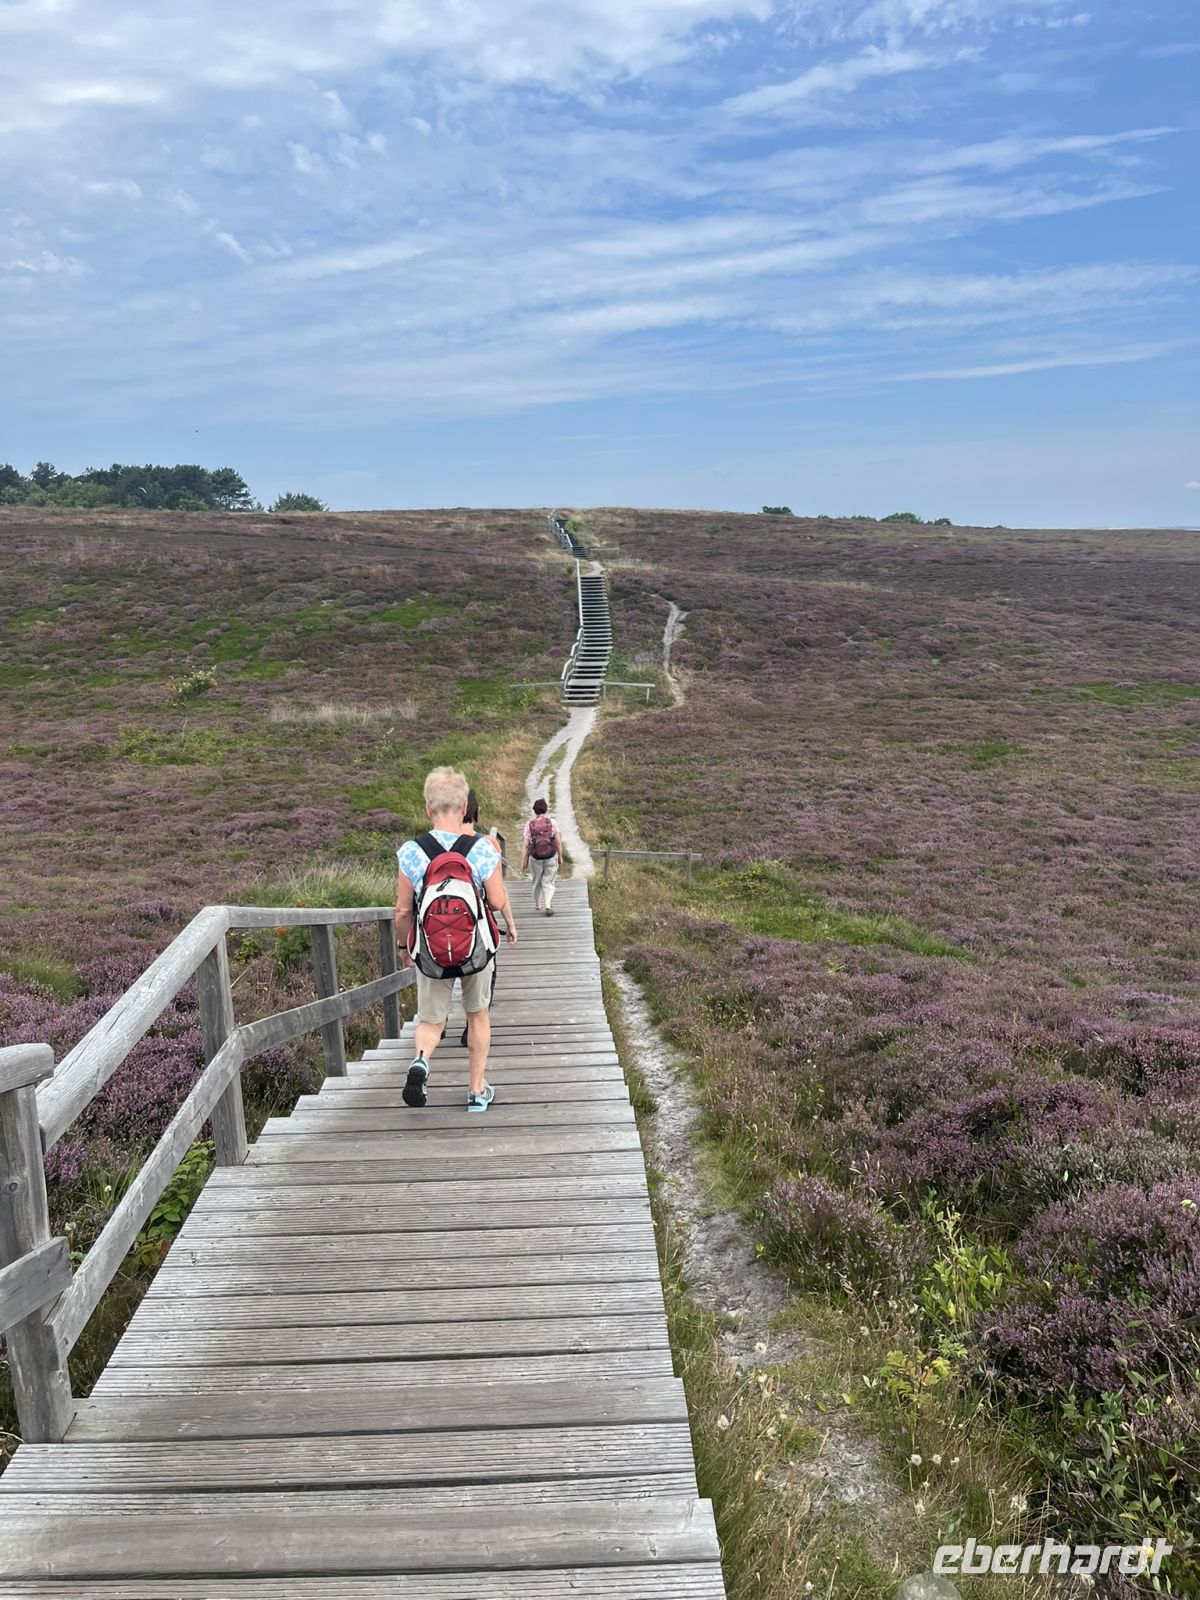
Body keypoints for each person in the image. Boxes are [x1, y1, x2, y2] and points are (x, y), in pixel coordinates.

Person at [395, 767, 517, 1112]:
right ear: (465, 808)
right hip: (475, 949)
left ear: (427, 809)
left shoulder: (412, 851)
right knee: (477, 1015)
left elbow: (403, 910)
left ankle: (421, 1061)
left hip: (431, 951)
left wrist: (405, 947)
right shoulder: (482, 847)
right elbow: (495, 901)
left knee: (431, 1021)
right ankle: (477, 1092)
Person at [521, 797, 563, 915]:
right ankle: (548, 904)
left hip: (535, 857)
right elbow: (558, 842)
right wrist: (560, 857)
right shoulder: (552, 823)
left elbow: (525, 845)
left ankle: (538, 904)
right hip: (550, 855)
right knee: (548, 881)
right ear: (546, 810)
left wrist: (522, 863)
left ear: (534, 810)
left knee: (536, 880)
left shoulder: (529, 824)